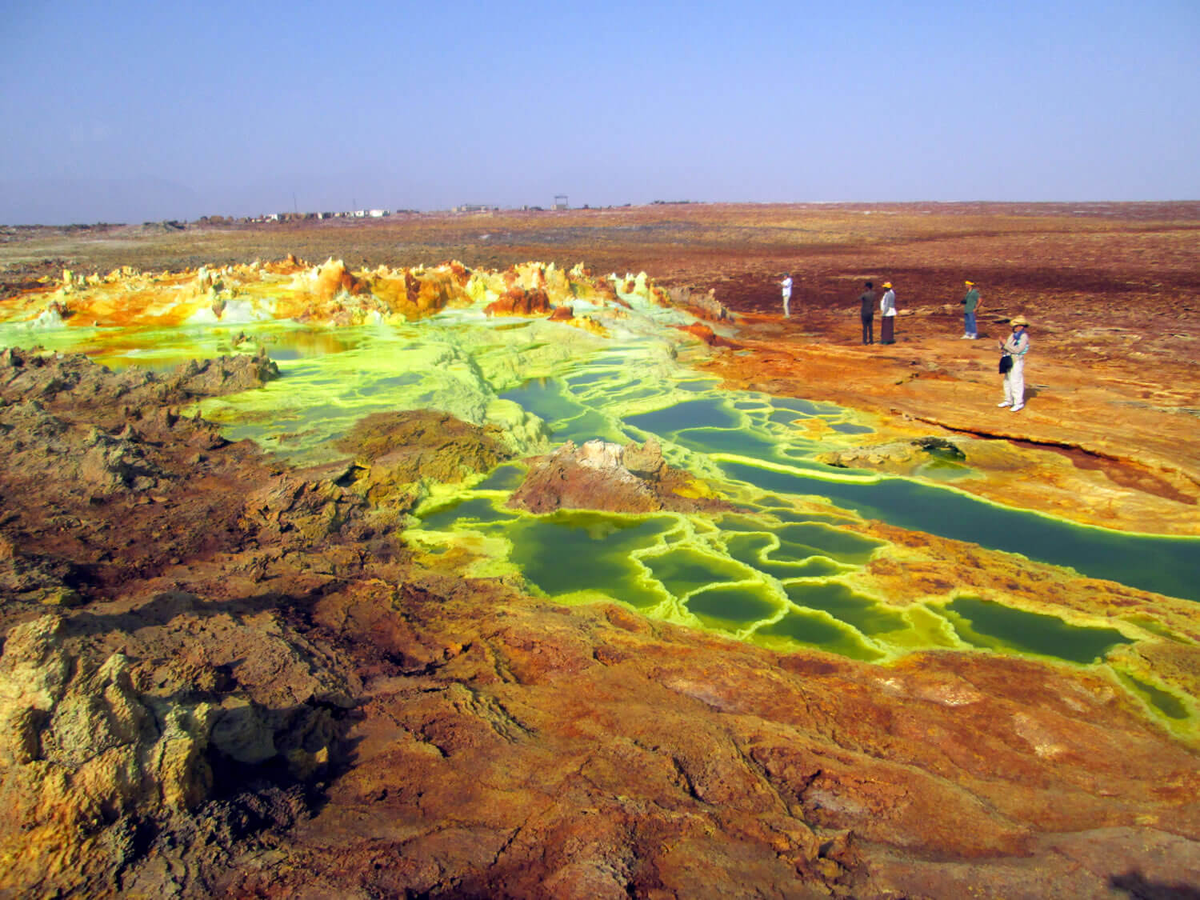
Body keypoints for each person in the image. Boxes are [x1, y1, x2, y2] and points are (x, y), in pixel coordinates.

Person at [998, 315, 1030, 411]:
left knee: (1016, 381)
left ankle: (1018, 402)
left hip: (1017, 360)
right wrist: (1002, 344)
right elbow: (1006, 346)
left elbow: (1018, 350)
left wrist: (1005, 344)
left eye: (1016, 326)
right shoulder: (1012, 335)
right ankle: (1008, 400)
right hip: (1008, 358)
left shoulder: (1024, 337)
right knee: (1007, 380)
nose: (1014, 328)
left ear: (1021, 326)